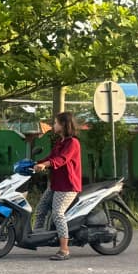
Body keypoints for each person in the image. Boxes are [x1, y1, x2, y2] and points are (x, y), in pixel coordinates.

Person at [33, 111, 83, 260]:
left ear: (63, 125)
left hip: (68, 186)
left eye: (55, 123)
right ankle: (35, 239)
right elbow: (52, 157)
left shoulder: (73, 143)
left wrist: (45, 165)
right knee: (40, 209)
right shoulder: (60, 142)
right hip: (56, 184)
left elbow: (61, 160)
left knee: (57, 214)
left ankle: (64, 249)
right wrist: (37, 163)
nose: (53, 125)